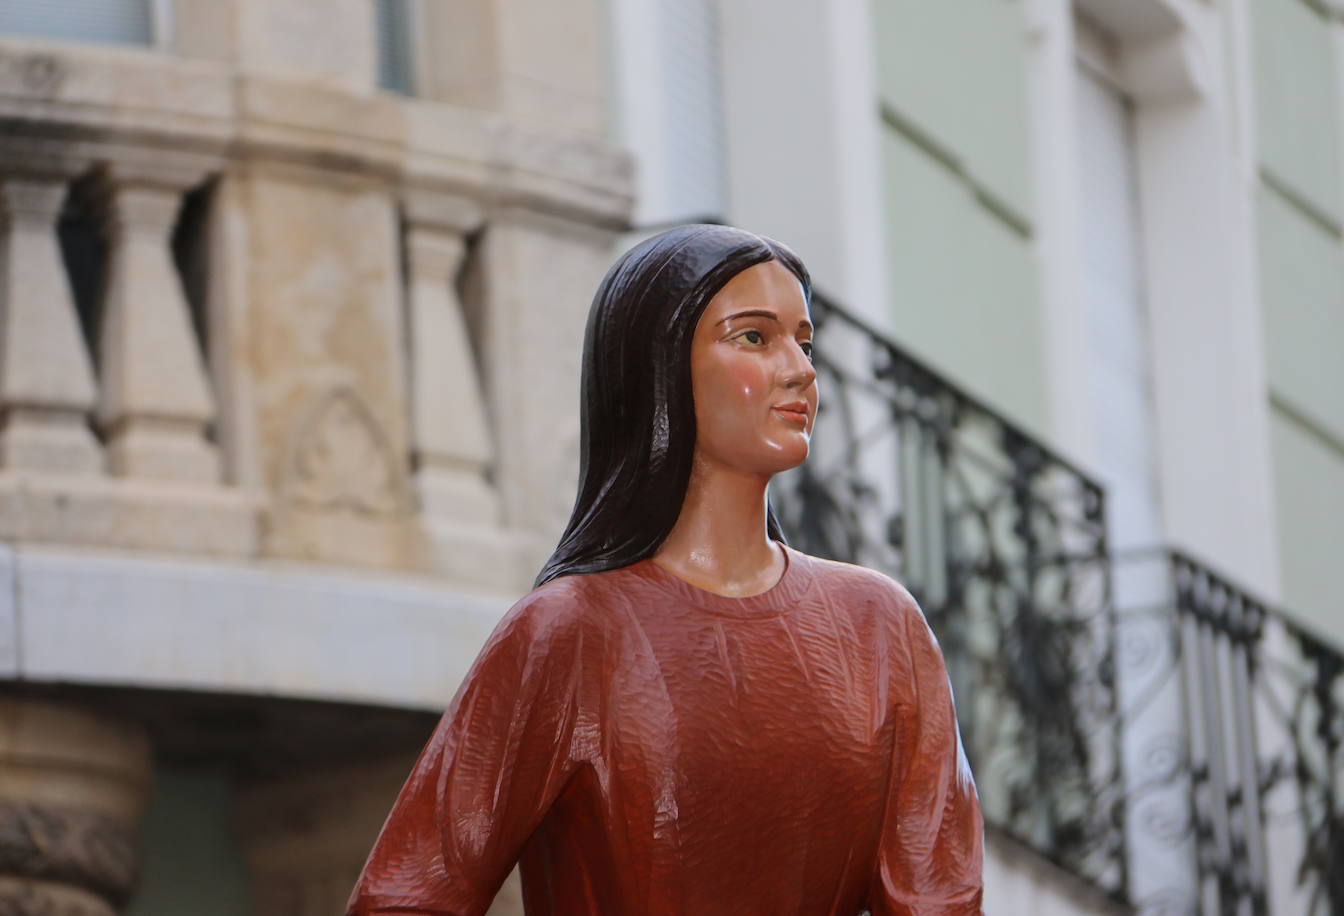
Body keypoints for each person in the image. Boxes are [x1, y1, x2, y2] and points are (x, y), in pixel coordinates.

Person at [346, 225, 984, 915]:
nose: (800, 369)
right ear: (659, 366)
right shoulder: (567, 634)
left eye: (804, 341)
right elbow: (406, 896)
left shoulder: (879, 626)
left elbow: (939, 899)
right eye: (754, 338)